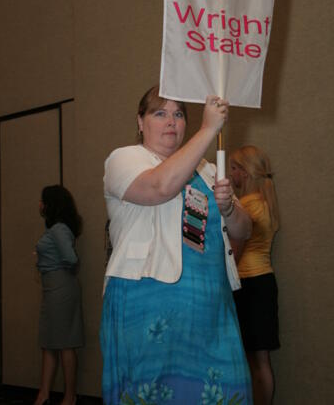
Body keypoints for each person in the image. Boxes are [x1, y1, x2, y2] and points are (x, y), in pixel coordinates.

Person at [100, 85, 253, 405]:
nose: (171, 121)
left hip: (211, 310)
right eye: (160, 113)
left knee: (220, 392)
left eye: (179, 114)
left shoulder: (208, 171)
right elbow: (160, 187)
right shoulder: (124, 159)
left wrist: (229, 209)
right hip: (148, 306)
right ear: (140, 122)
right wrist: (209, 128)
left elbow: (244, 229)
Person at [229, 146, 280, 405]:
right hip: (262, 283)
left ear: (245, 173)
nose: (231, 175)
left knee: (254, 361)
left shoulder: (247, 207)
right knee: (259, 360)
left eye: (234, 169)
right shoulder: (265, 202)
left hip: (249, 285)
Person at [34, 185, 84, 405]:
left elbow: (71, 259)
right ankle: (44, 395)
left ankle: (69, 397)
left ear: (50, 204)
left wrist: (58, 270)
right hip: (53, 288)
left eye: (42, 200)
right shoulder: (56, 229)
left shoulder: (59, 229)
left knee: (64, 343)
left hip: (60, 289)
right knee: (50, 341)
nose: (39, 204)